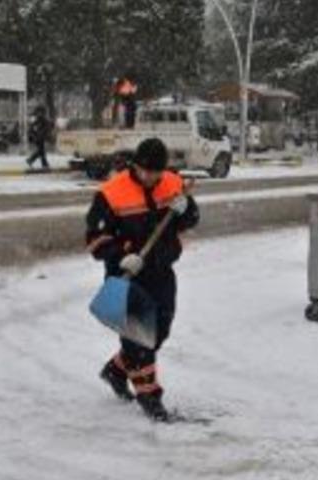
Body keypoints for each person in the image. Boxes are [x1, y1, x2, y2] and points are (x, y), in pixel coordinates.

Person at [85, 138, 199, 422]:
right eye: (144, 170)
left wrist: (186, 209)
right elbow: (95, 240)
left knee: (159, 331)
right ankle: (150, 398)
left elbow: (189, 220)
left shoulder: (173, 183)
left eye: (155, 172)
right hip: (127, 275)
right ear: (134, 165)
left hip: (161, 270)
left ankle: (116, 370)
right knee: (139, 338)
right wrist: (121, 255)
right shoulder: (111, 194)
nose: (150, 177)